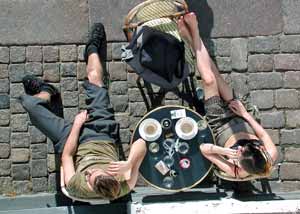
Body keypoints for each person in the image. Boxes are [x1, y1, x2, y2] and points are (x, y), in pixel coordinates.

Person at [20, 23, 146, 199]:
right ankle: (92, 47)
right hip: (101, 132)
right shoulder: (122, 184)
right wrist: (130, 163)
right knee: (94, 77)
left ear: (91, 186)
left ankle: (47, 92)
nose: (90, 171)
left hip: (70, 139)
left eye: (89, 175)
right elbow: (142, 143)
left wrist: (77, 126)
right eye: (98, 172)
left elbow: (67, 156)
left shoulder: (77, 187)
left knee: (28, 104)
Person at [177, 13, 278, 179]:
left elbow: (204, 149)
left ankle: (194, 32)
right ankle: (191, 38)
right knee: (216, 77)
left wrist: (225, 152)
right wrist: (245, 113)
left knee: (209, 80)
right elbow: (262, 135)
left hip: (219, 125)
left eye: (240, 153)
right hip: (241, 118)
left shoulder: (236, 170)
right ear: (259, 150)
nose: (240, 149)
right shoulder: (271, 155)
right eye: (244, 148)